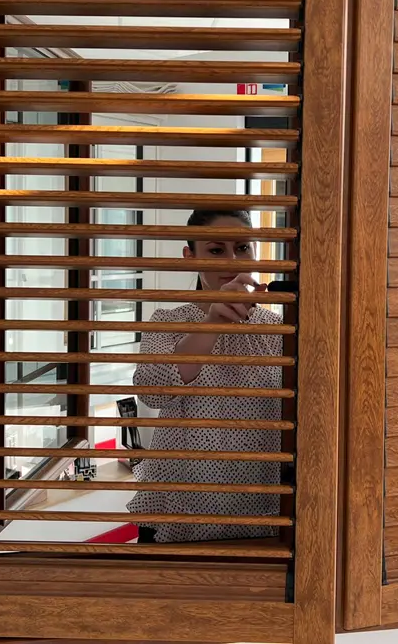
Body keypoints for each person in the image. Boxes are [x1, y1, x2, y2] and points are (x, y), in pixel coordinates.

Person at [126, 209, 284, 543]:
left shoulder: (279, 330)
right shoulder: (166, 322)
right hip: (178, 511)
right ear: (190, 257)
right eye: (216, 250)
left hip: (262, 513)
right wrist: (212, 321)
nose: (232, 260)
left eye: (242, 248)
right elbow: (151, 391)